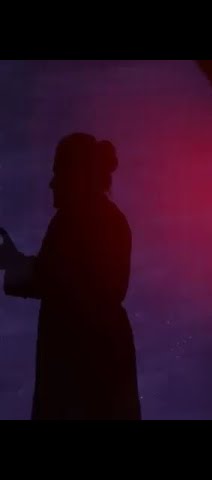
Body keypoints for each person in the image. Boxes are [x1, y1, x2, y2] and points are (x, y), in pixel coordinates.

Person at [0, 133, 141, 420]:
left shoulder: (76, 220)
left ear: (76, 175)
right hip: (100, 366)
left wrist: (14, 262)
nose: (52, 184)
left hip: (80, 370)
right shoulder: (103, 219)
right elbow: (62, 275)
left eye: (58, 173)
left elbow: (58, 278)